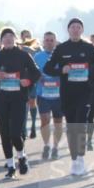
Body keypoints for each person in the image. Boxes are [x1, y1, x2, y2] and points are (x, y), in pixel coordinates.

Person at [42, 17, 94, 176]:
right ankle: (74, 159)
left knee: (80, 125)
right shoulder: (61, 49)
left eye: (78, 27)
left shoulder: (89, 48)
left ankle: (80, 159)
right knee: (71, 126)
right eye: (72, 27)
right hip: (67, 94)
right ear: (68, 30)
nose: (75, 29)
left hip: (85, 93)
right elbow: (47, 69)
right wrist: (61, 71)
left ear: (82, 30)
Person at [0, 28, 41, 179]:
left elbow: (37, 73)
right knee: (4, 134)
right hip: (1, 99)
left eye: (11, 36)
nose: (8, 39)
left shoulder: (23, 55)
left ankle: (21, 156)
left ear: (15, 39)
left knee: (15, 133)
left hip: (19, 99)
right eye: (5, 37)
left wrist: (27, 81)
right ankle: (10, 166)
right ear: (1, 40)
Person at [34, 31, 64, 160]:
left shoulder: (62, 56)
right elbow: (32, 72)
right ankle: (46, 145)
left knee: (58, 122)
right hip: (43, 94)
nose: (49, 42)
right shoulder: (37, 56)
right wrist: (37, 77)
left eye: (52, 40)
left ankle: (56, 147)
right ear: (43, 41)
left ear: (55, 42)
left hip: (59, 95)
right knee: (45, 120)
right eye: (47, 40)